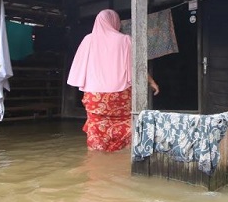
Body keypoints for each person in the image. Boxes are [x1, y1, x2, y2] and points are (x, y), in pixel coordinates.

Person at [67, 9, 159, 152]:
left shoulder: (88, 40)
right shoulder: (125, 40)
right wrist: (151, 82)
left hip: (94, 97)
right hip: (120, 96)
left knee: (96, 128)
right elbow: (137, 66)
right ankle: (123, 159)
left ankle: (96, 160)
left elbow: (80, 66)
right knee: (126, 127)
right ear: (115, 22)